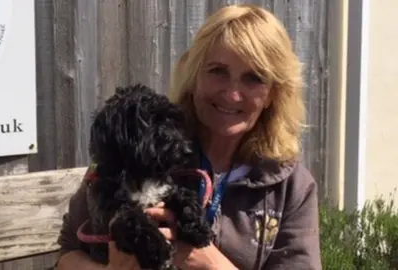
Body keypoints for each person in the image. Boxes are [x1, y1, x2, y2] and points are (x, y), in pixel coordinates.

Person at [56, 3, 322, 270]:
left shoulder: (290, 187)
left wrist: (210, 263)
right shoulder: (142, 147)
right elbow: (67, 253)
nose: (232, 94)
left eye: (253, 78)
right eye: (218, 71)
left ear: (273, 95)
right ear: (193, 76)